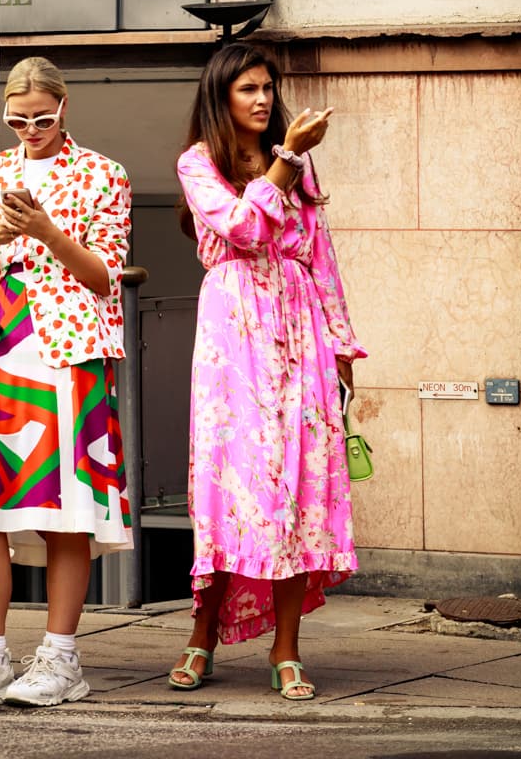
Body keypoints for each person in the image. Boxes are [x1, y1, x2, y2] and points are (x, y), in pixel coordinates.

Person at [169, 42, 367, 700]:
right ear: (221, 97)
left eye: (267, 87)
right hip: (234, 334)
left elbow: (321, 256)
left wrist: (341, 349)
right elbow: (242, 228)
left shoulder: (296, 165)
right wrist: (285, 159)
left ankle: (287, 649)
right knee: (234, 489)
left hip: (302, 331)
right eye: (247, 88)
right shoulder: (198, 163)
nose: (261, 99)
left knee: (299, 490)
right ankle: (202, 636)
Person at [0, 56, 133, 713]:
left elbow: (105, 276)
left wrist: (47, 230)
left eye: (42, 120)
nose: (30, 131)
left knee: (67, 509)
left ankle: (60, 656)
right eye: (17, 121)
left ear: (65, 107)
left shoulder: (104, 174)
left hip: (70, 349)